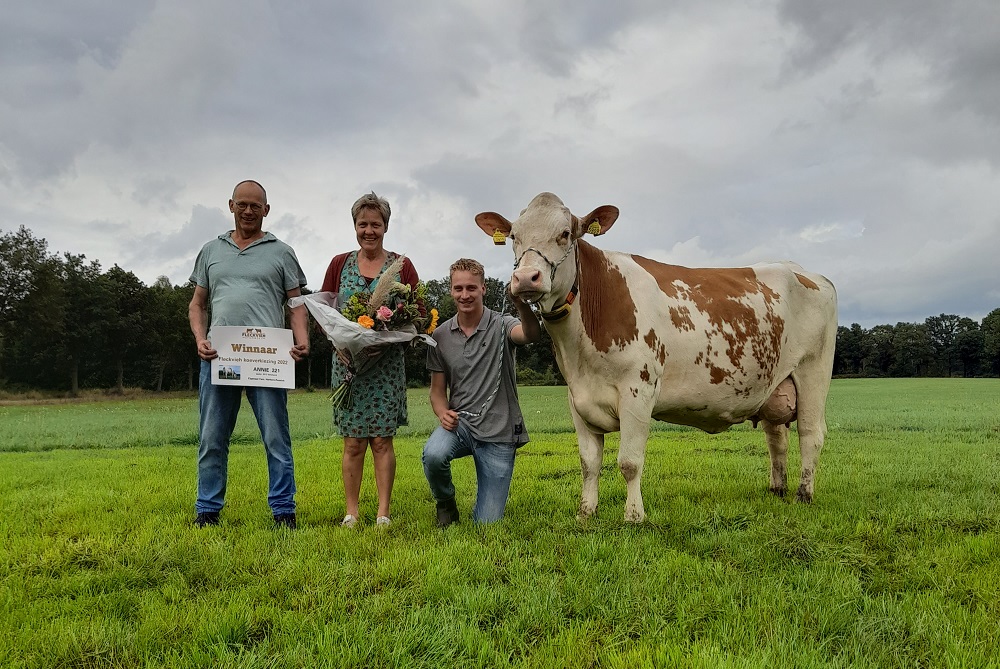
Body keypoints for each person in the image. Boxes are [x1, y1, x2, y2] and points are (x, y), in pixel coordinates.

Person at [188, 180, 309, 529]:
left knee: (275, 437)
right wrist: (200, 339)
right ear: (230, 205)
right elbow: (197, 305)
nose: (248, 211)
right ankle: (207, 510)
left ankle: (283, 511)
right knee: (212, 437)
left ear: (266, 210)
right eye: (242, 204)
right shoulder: (211, 251)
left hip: (267, 362)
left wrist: (302, 339)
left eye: (256, 205)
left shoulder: (281, 252)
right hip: (218, 358)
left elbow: (296, 304)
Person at [320, 191, 420, 529]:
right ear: (355, 226)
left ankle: (383, 513)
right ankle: (351, 512)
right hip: (348, 365)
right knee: (352, 442)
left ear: (386, 226)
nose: (369, 231)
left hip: (386, 365)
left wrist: (393, 340)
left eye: (375, 224)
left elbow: (419, 314)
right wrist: (337, 343)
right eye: (363, 224)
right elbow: (325, 310)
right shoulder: (339, 264)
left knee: (381, 439)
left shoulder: (402, 266)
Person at [422, 258, 541, 527]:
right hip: (460, 425)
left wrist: (521, 304)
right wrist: (443, 413)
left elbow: (531, 334)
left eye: (471, 288)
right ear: (451, 290)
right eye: (458, 288)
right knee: (433, 455)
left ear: (483, 288)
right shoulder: (439, 335)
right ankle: (445, 501)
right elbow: (437, 391)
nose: (465, 295)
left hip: (499, 431)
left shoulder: (502, 324)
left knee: (486, 525)